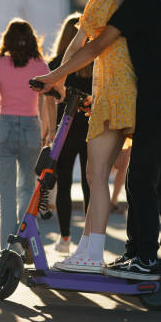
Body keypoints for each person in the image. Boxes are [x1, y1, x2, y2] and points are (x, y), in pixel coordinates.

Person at [35, 0, 161, 279]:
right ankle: (133, 252)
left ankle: (141, 257)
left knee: (137, 180)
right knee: (137, 180)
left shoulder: (136, 3)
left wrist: (54, 77)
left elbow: (92, 45)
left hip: (153, 103)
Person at [35, 0, 136, 272]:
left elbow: (80, 43)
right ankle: (87, 249)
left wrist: (56, 79)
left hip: (112, 92)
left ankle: (92, 252)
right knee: (97, 175)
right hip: (125, 92)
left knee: (96, 175)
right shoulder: (126, 1)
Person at [0, 18, 55, 250]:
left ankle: (7, 248)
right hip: (31, 128)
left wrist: (1, 97)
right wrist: (50, 130)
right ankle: (23, 243)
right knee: (27, 188)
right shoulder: (41, 66)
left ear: (7, 39)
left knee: (6, 191)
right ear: (32, 40)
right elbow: (49, 99)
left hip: (4, 127)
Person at [47, 13, 93, 254]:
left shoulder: (56, 63)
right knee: (90, 185)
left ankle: (64, 238)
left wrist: (49, 131)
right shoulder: (95, 62)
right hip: (90, 128)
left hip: (65, 129)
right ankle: (87, 240)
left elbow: (48, 100)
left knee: (63, 185)